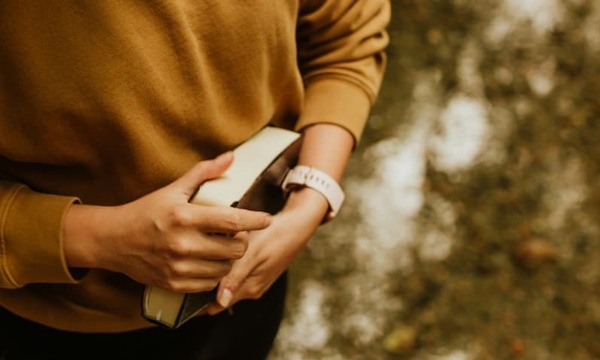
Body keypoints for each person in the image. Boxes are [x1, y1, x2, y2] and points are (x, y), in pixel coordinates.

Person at [0, 1, 390, 359]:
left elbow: (346, 37)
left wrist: (310, 199)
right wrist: (99, 239)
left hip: (250, 288)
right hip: (49, 325)